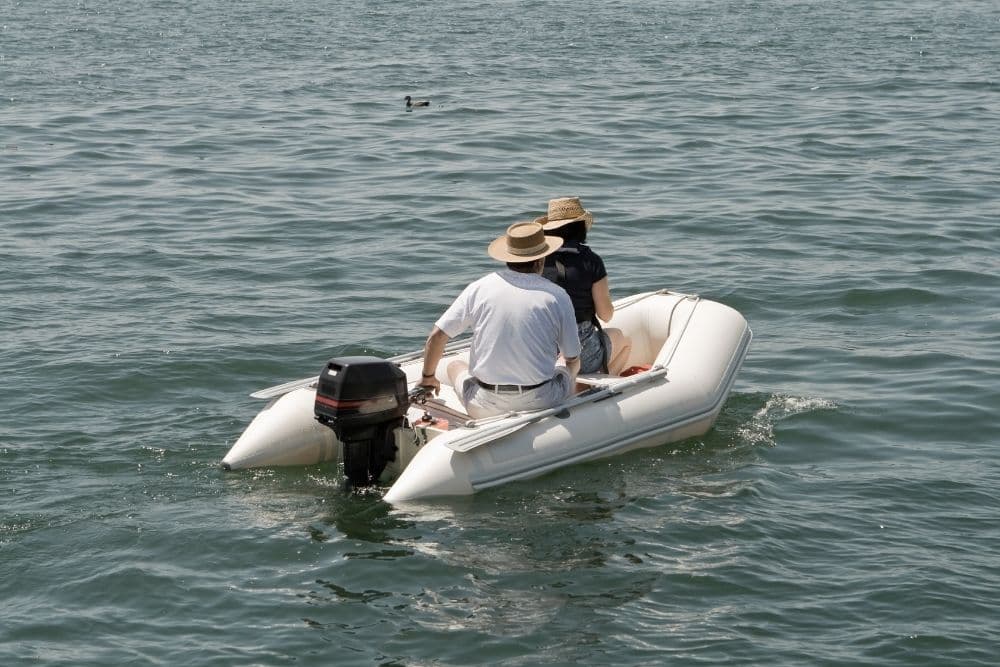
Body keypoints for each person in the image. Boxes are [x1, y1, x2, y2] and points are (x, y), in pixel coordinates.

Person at [418, 222, 581, 419]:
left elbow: (436, 337)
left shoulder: (479, 288)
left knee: (454, 366)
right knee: (567, 363)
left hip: (483, 405)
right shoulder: (557, 295)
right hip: (541, 400)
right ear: (540, 260)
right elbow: (572, 357)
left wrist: (428, 378)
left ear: (508, 257)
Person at [536, 196, 632, 375]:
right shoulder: (591, 261)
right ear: (581, 227)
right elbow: (605, 315)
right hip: (578, 349)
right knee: (624, 340)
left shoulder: (536, 261)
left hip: (540, 347)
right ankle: (598, 388)